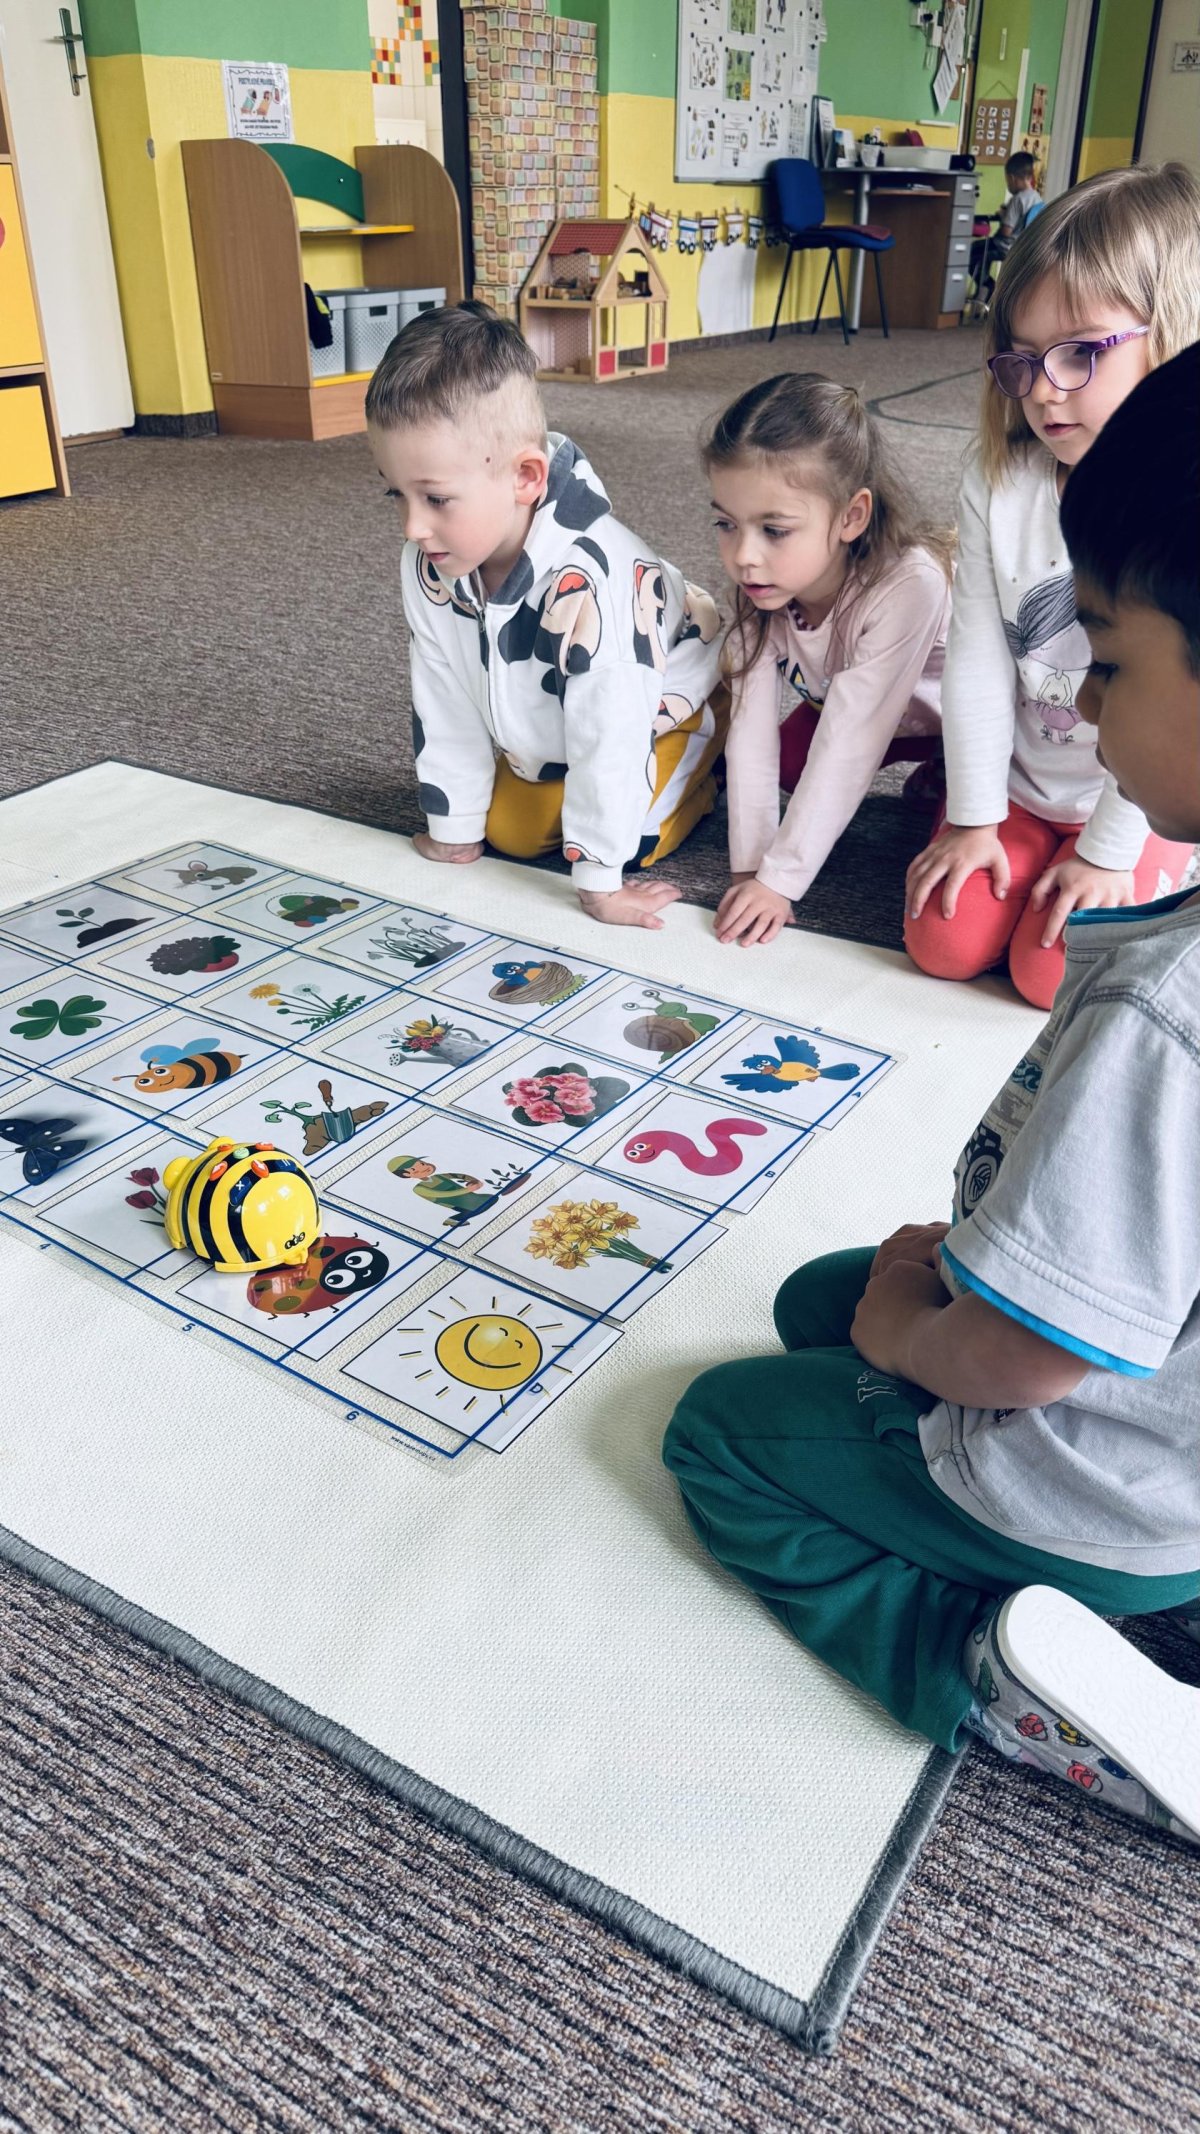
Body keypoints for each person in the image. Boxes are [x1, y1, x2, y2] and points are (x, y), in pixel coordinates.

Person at [663, 341, 1200, 1846]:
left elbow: (1027, 1362)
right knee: (823, 1298)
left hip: (1104, 1484)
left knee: (720, 1431)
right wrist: (940, 1283)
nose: (1079, 697)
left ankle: (1000, 1678)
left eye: (1110, 661)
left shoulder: (1168, 1017)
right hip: (1168, 1436)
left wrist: (921, 1329)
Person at [905, 162, 1200, 1009]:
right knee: (945, 941)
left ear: (1173, 339)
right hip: (1025, 785)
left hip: (1142, 791)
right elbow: (976, 660)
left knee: (1052, 977)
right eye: (1022, 359)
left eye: (1079, 354)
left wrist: (1107, 851)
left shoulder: (1175, 508)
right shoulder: (1001, 481)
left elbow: (1179, 719)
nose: (1040, 390)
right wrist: (975, 816)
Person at [366, 302, 726, 932]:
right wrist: (453, 828)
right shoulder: (430, 561)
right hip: (555, 718)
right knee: (511, 832)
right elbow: (442, 693)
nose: (412, 526)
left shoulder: (594, 583)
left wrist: (601, 883)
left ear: (526, 478)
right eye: (398, 493)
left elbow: (611, 734)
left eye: (437, 498)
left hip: (660, 692)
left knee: (629, 843)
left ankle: (711, 748)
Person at [706, 373, 952, 949]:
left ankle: (947, 771)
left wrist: (781, 881)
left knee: (949, 852)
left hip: (957, 727)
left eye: (774, 530)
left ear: (851, 516)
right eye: (726, 524)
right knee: (788, 765)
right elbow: (750, 738)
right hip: (854, 707)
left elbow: (851, 745)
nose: (743, 556)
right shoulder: (763, 584)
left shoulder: (909, 584)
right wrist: (750, 872)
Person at [968, 150, 1044, 305]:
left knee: (973, 251)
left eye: (1007, 180)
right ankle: (984, 291)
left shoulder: (1017, 200)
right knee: (983, 253)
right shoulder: (1037, 198)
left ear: (1012, 178)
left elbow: (1006, 231)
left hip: (1005, 246)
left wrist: (1004, 216)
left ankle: (987, 286)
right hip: (1023, 247)